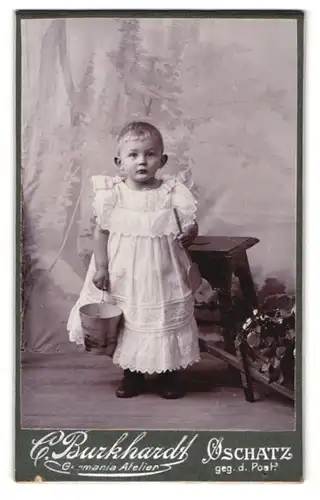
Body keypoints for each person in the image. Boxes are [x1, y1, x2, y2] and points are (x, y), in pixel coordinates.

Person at [67, 121, 200, 398]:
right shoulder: (112, 194)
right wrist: (102, 267)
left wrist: (189, 232)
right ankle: (132, 374)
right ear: (120, 161)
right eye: (133, 155)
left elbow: (189, 223)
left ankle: (168, 373)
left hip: (162, 270)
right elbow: (101, 232)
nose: (142, 161)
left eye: (150, 154)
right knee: (128, 319)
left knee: (161, 317)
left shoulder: (172, 192)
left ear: (162, 160)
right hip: (124, 271)